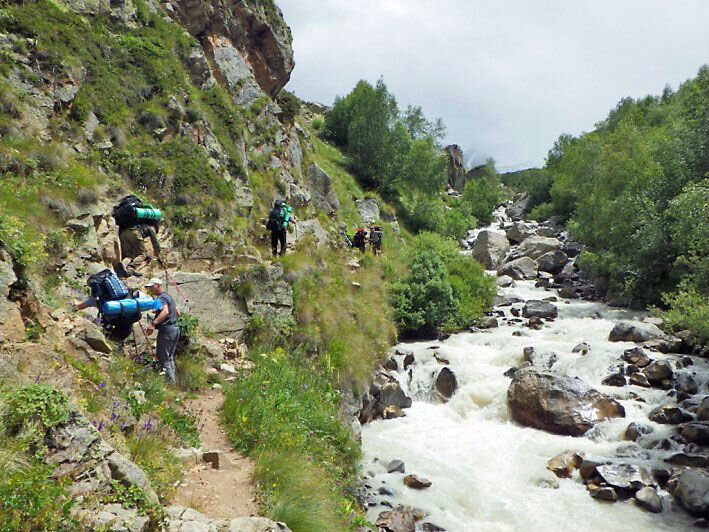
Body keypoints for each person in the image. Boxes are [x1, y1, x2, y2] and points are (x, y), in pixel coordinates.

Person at [145, 277, 179, 384]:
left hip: (167, 331)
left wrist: (153, 324)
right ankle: (173, 383)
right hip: (175, 329)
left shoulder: (161, 298)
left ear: (158, 286)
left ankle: (170, 385)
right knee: (169, 357)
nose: (150, 289)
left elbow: (165, 312)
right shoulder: (168, 297)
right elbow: (177, 312)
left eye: (152, 286)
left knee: (163, 358)